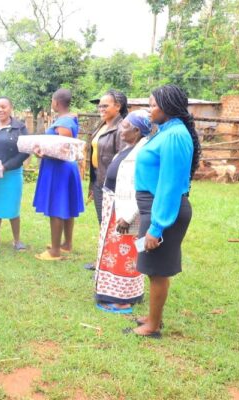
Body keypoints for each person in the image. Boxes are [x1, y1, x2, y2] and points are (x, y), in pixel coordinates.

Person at [124, 84, 200, 338]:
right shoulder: (165, 131)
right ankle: (153, 316)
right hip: (153, 207)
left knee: (157, 270)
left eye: (154, 104)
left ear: (168, 107)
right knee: (152, 266)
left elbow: (170, 186)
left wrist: (157, 227)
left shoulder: (175, 135)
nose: (150, 109)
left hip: (164, 210)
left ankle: (153, 325)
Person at [94, 110, 151, 313]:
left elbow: (143, 187)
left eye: (125, 126)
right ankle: (113, 293)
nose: (120, 129)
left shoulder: (142, 153)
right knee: (114, 253)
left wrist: (128, 217)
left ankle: (122, 299)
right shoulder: (130, 148)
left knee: (124, 254)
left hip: (126, 213)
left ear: (137, 130)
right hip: (114, 207)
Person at [32, 88, 84, 261]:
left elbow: (64, 149)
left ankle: (55, 251)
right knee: (66, 206)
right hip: (65, 168)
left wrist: (42, 153)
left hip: (59, 169)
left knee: (57, 206)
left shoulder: (64, 123)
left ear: (56, 102)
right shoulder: (69, 119)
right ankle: (66, 244)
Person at [83, 89, 129, 271]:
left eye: (105, 105)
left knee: (113, 224)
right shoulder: (103, 124)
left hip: (112, 185)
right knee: (103, 222)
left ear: (118, 107)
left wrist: (113, 187)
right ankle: (104, 259)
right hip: (98, 181)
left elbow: (122, 160)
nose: (101, 108)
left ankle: (112, 261)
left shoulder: (123, 128)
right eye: (99, 105)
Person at [0, 97, 29, 251]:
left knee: (13, 207)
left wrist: (6, 166)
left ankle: (17, 240)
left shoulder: (20, 128)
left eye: (3, 107)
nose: (0, 110)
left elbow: (25, 151)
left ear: (10, 108)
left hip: (12, 174)